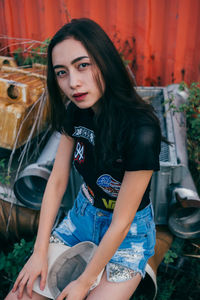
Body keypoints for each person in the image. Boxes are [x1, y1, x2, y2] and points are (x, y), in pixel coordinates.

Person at [6, 18, 161, 300]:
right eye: (62, 72)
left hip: (127, 234)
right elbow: (57, 181)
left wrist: (85, 281)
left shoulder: (142, 130)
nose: (73, 83)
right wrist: (38, 252)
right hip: (81, 217)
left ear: (104, 61)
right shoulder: (75, 111)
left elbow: (122, 221)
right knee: (21, 295)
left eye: (83, 65)